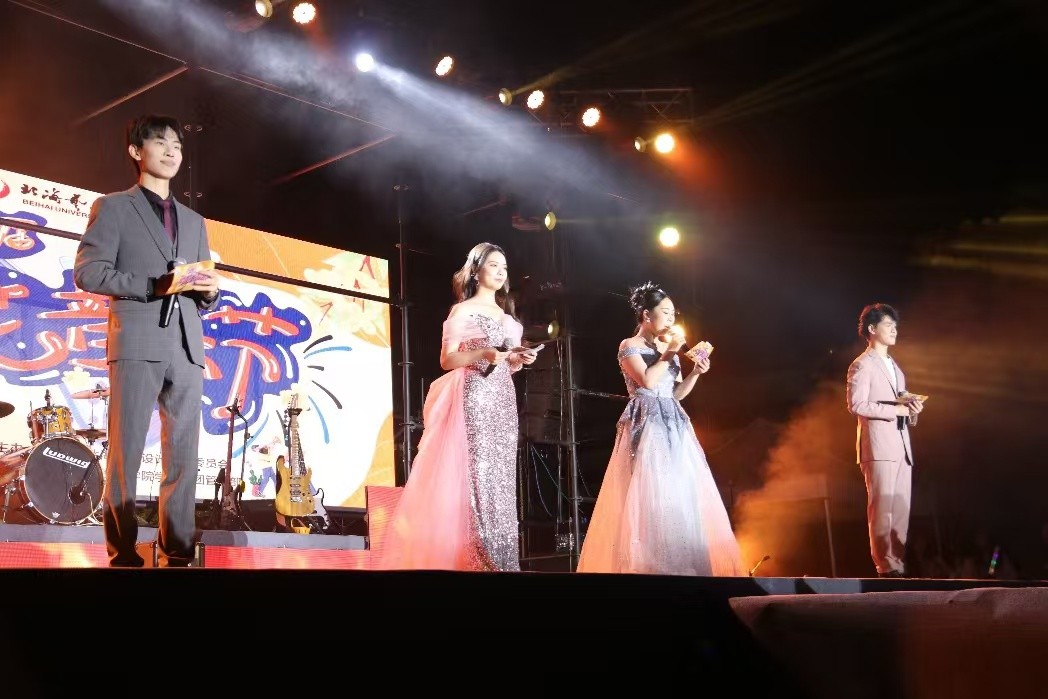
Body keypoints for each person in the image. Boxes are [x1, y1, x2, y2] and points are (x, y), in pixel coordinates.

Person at [74, 114, 220, 567]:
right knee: (127, 451)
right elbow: (89, 272)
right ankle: (122, 552)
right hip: (137, 338)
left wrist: (209, 292)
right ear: (137, 152)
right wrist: (153, 285)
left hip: (187, 344)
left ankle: (178, 550)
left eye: (177, 144)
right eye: (160, 142)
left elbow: (198, 282)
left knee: (184, 454)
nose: (172, 151)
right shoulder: (114, 207)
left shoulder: (195, 220)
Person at [379, 242, 537, 571]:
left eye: (504, 267)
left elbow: (507, 364)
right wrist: (483, 353)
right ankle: (479, 561)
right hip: (475, 396)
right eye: (493, 265)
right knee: (478, 474)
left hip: (503, 400)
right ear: (476, 271)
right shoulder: (462, 311)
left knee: (501, 480)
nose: (500, 272)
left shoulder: (509, 320)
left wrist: (519, 359)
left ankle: (503, 559)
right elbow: (447, 359)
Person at [577, 282, 743, 576]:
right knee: (650, 488)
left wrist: (695, 373)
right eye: (665, 312)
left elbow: (675, 394)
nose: (670, 318)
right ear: (646, 315)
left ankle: (683, 564)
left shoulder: (669, 351)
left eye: (673, 313)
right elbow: (648, 382)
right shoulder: (629, 346)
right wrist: (669, 354)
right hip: (646, 421)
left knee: (680, 489)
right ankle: (650, 566)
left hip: (673, 422)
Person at [846, 303, 923, 578]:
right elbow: (856, 404)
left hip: (901, 447)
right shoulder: (862, 364)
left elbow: (900, 406)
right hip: (879, 447)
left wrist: (912, 411)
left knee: (900, 509)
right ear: (871, 329)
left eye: (895, 325)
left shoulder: (896, 368)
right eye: (888, 325)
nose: (894, 330)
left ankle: (897, 564)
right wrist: (896, 411)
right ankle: (885, 566)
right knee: (882, 509)